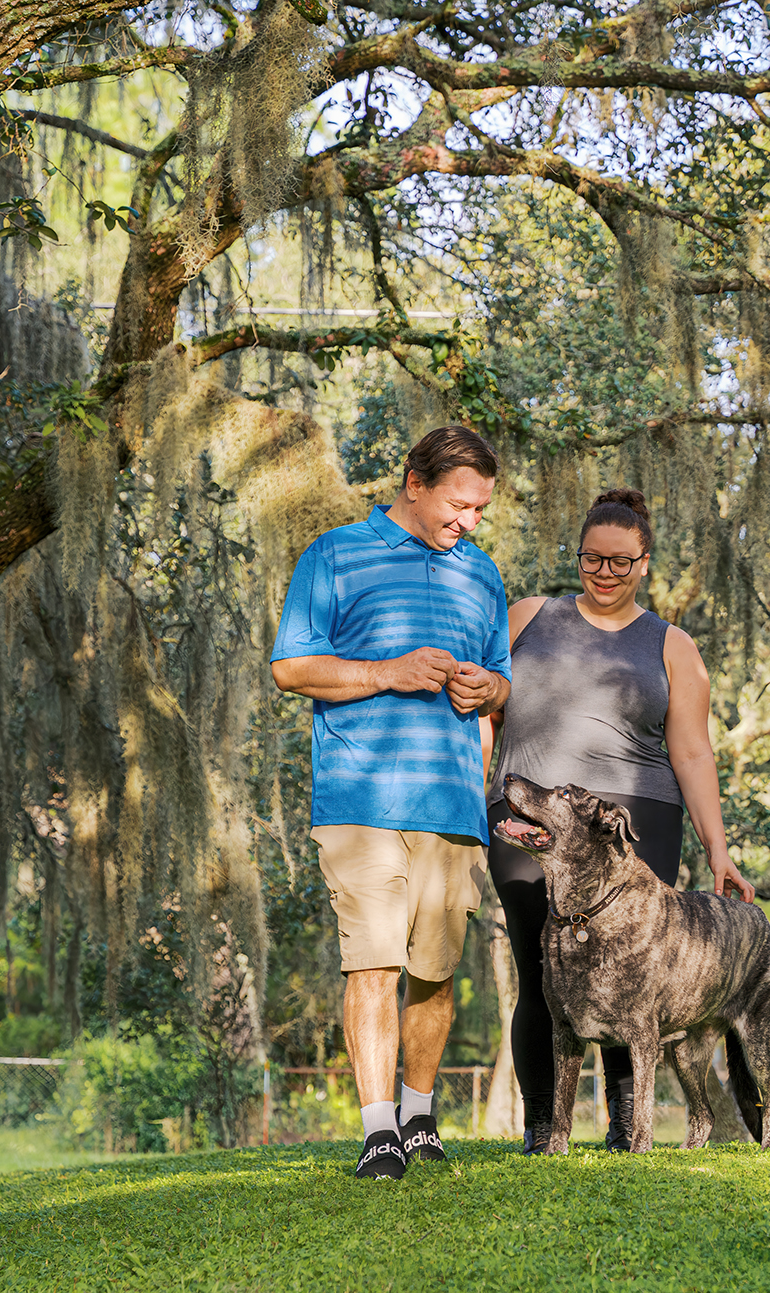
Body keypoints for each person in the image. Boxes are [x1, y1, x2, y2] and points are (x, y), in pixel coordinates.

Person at [270, 425, 511, 1180]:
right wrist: (387, 671)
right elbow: (290, 667)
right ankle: (379, 1132)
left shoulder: (483, 575)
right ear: (415, 481)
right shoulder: (334, 554)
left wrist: (489, 688)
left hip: (452, 805)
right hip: (362, 797)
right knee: (372, 962)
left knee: (434, 970)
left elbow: (503, 678)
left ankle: (419, 1115)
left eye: (480, 509)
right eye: (459, 504)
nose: (469, 521)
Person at [486, 487, 755, 1153]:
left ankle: (624, 1131)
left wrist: (719, 850)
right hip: (535, 822)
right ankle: (544, 1128)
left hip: (635, 828)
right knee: (541, 975)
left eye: (620, 563)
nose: (604, 574)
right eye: (592, 559)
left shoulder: (672, 646)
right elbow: (484, 714)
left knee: (631, 979)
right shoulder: (526, 616)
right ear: (577, 555)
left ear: (644, 563)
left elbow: (692, 750)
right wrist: (475, 798)